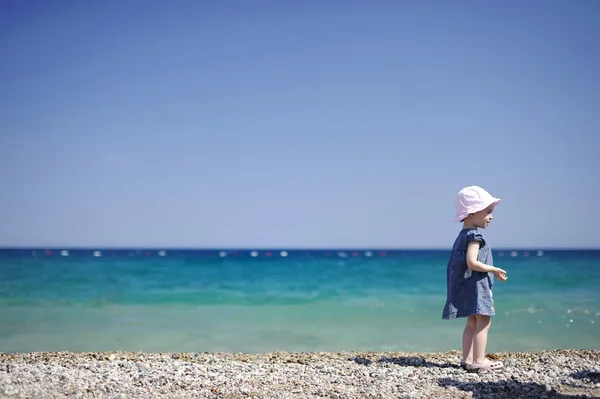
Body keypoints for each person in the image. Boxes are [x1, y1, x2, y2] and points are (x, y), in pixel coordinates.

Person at [442, 186, 508, 373]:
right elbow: (472, 262)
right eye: (488, 211)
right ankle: (479, 360)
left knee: (471, 323)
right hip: (477, 286)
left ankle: (467, 359)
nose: (491, 216)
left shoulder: (461, 236)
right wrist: (493, 269)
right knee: (484, 322)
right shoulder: (475, 236)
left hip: (467, 286)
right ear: (471, 213)